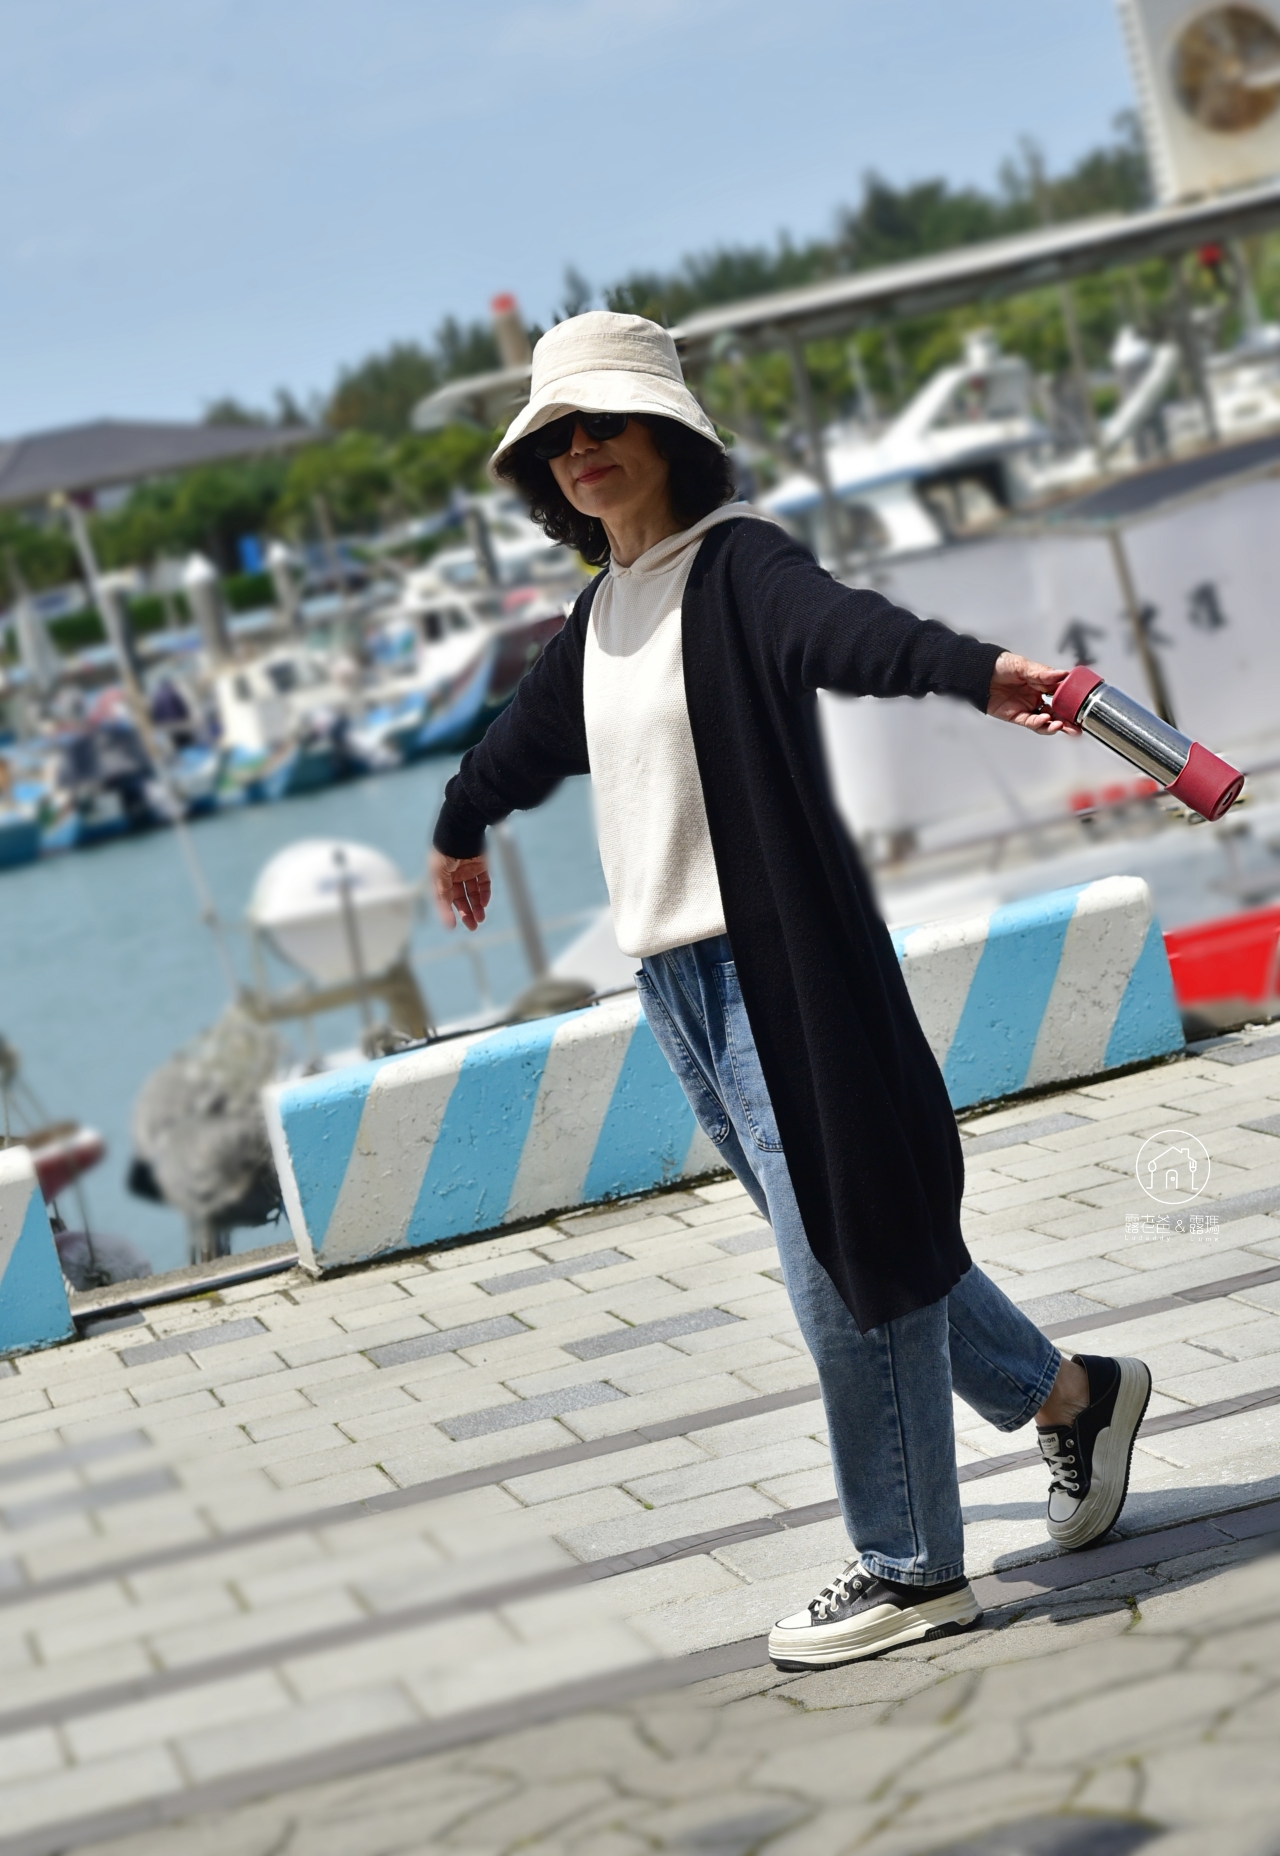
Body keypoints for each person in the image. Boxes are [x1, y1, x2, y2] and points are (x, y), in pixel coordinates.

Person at [430, 311, 1152, 1670]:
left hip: (778, 969)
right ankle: (1072, 1398)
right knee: (859, 1238)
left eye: (606, 422)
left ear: (667, 435)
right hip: (678, 987)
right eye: (558, 435)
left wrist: (973, 672)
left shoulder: (738, 564)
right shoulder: (603, 613)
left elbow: (846, 631)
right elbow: (524, 736)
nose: (582, 449)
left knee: (840, 1264)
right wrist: (460, 824)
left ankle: (912, 1564)